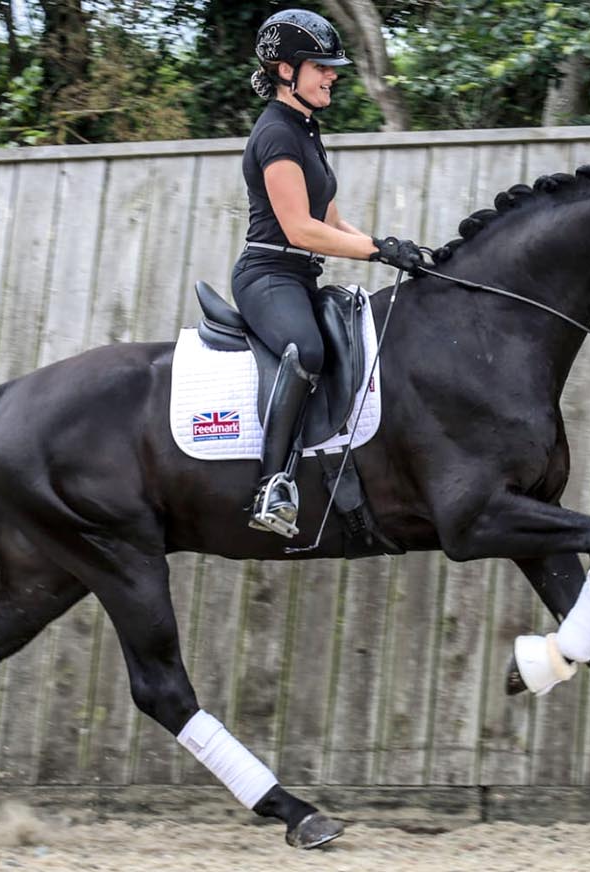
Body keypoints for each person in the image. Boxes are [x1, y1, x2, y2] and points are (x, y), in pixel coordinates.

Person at [236, 8, 429, 537]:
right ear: (285, 70)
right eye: (321, 66)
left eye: (332, 67)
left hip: (299, 278)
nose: (332, 75)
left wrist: (393, 246)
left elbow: (333, 222)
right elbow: (300, 229)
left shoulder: (305, 128)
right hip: (268, 276)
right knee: (309, 348)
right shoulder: (275, 134)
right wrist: (376, 251)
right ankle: (271, 485)